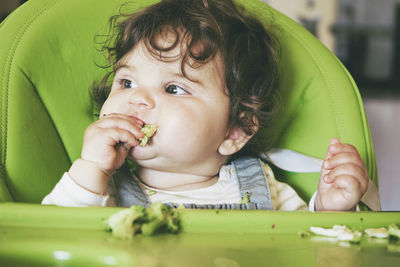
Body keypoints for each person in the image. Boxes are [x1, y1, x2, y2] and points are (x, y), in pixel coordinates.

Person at [42, 0, 370, 211]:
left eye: (173, 88)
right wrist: (91, 169)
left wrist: (330, 208)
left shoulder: (261, 187)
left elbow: (305, 248)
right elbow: (52, 243)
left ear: (235, 130)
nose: (137, 98)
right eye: (127, 82)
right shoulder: (101, 190)